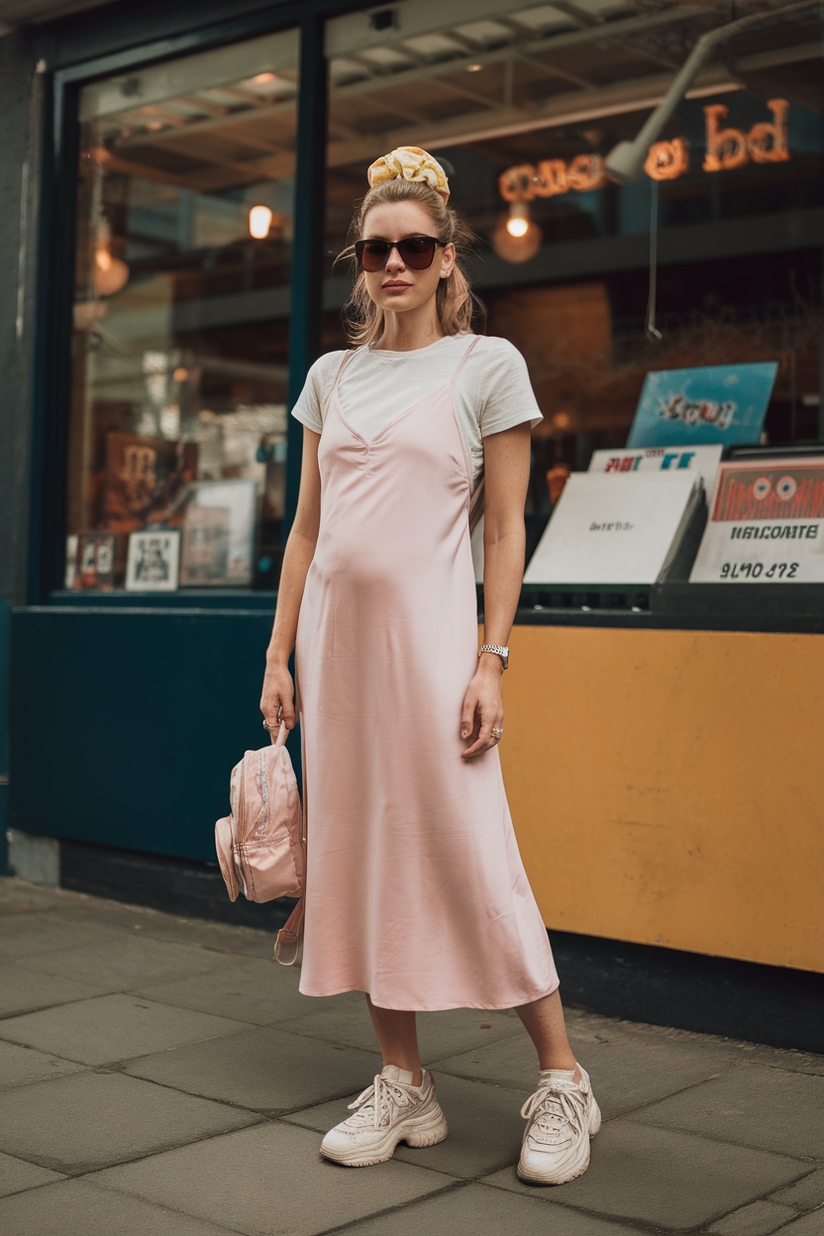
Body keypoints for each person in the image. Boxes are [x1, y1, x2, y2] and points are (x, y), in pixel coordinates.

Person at [259, 146, 599, 1186]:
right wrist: (277, 655)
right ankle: (403, 1082)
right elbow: (307, 532)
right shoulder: (331, 375)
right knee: (358, 860)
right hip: (335, 654)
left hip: (436, 654)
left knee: (468, 852)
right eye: (376, 249)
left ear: (447, 258)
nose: (394, 263)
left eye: (414, 247)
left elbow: (504, 533)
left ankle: (561, 1081)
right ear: (359, 262)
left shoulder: (485, 367)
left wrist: (490, 662)